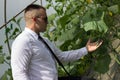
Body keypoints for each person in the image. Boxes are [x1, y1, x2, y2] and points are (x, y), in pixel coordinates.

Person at [11, 4, 103, 80]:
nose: (47, 22)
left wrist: (86, 49)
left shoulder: (43, 40)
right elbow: (19, 75)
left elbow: (62, 56)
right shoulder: (22, 42)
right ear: (35, 19)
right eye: (45, 19)